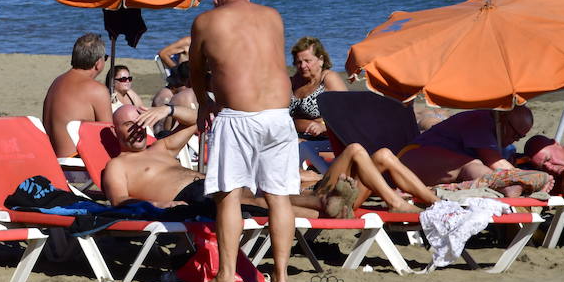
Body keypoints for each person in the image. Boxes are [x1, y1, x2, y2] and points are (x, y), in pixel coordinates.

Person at [102, 104, 416, 219]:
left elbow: (198, 120)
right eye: (129, 124)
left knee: (263, 197)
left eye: (141, 120)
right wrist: (160, 206)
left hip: (211, 186)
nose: (138, 127)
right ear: (116, 132)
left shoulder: (160, 148)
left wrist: (167, 110)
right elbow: (118, 202)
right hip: (188, 198)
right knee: (260, 198)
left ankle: (325, 206)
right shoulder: (117, 165)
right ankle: (321, 201)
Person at [190, 0, 297, 282]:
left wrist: (203, 103)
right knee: (279, 197)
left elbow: (196, 70)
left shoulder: (206, 21)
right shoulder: (273, 17)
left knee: (228, 195)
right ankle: (281, 279)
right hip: (279, 116)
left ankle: (226, 277)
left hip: (238, 117)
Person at [399, 105, 534, 185]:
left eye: (521, 137)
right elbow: (496, 163)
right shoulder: (479, 121)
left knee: (475, 168)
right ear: (504, 120)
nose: (516, 140)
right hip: (410, 161)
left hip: (433, 165)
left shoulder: (500, 136)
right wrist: (529, 180)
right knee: (473, 166)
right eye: (516, 135)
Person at [41, 32, 113, 158]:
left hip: (54, 160)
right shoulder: (97, 90)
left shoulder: (57, 82)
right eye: (105, 57)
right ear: (98, 63)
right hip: (78, 162)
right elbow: (109, 139)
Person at [288, 36, 348, 142]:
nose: (303, 66)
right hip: (294, 138)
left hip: (323, 140)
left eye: (307, 61)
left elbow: (348, 115)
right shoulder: (293, 81)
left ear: (320, 60)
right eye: (299, 62)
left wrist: (323, 127)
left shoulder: (328, 79)